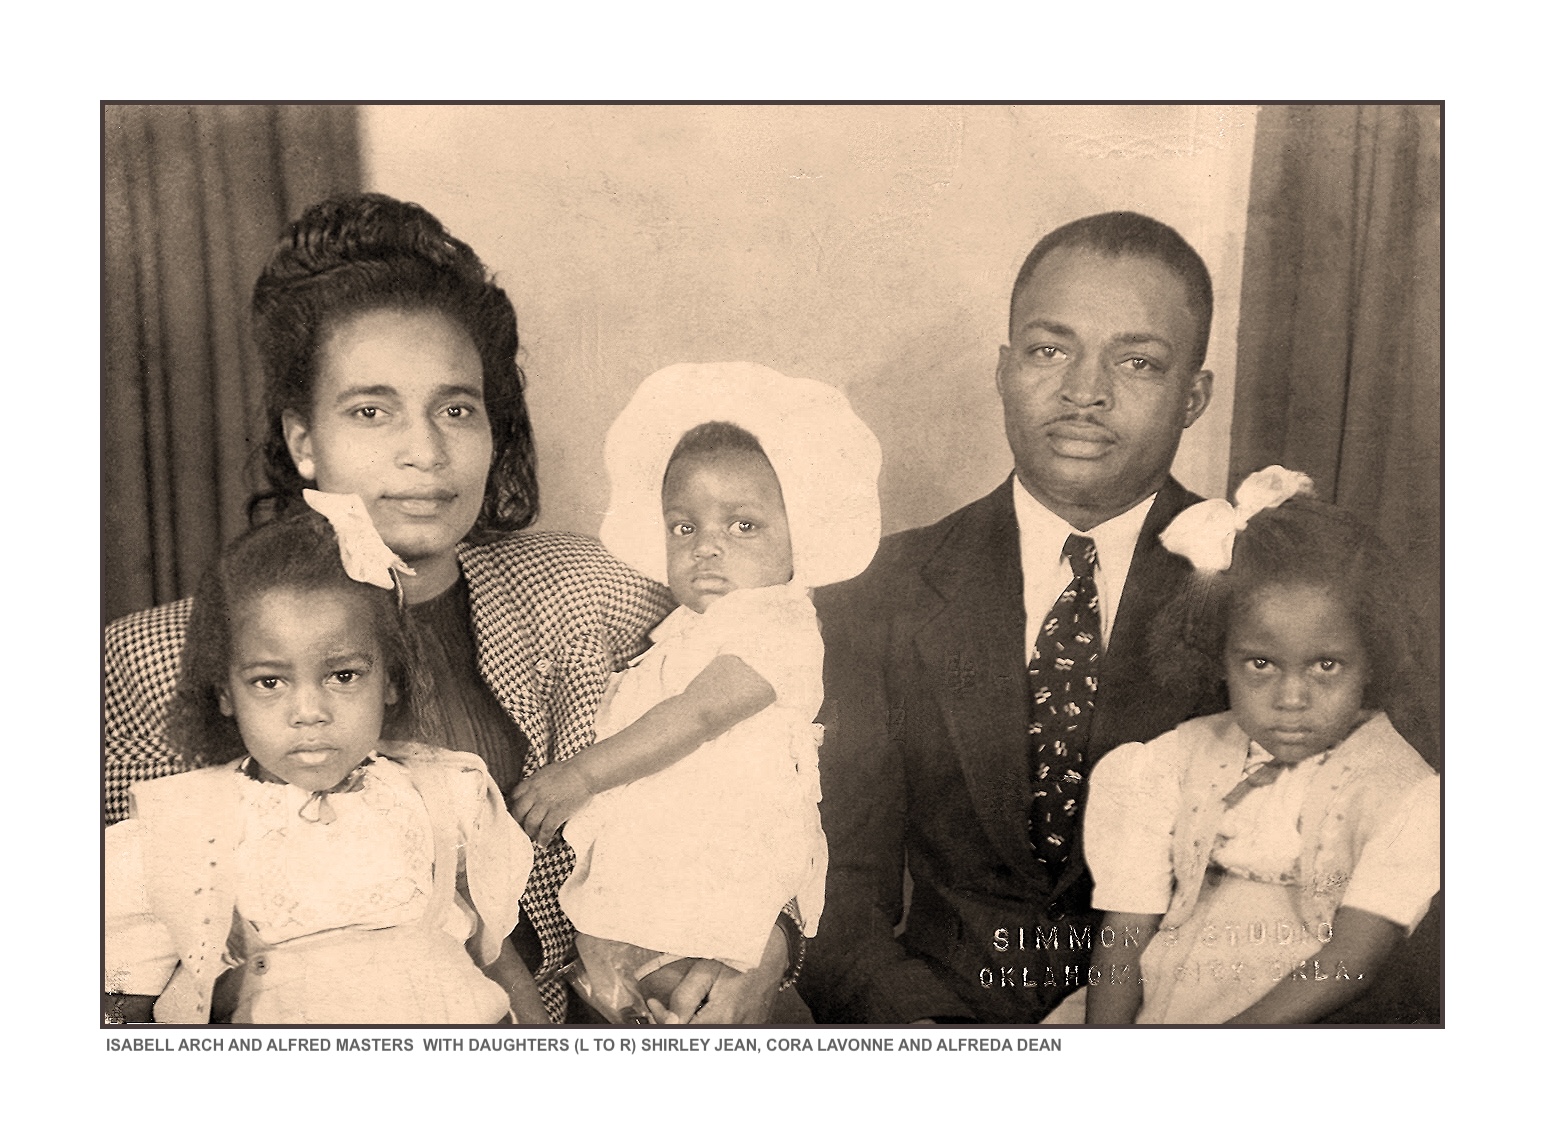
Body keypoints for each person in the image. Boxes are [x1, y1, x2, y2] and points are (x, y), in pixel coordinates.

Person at [103, 193, 795, 1023]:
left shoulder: (592, 591)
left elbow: (773, 753)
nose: (426, 451)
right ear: (303, 440)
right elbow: (123, 977)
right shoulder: (150, 662)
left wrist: (769, 942)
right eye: (371, 409)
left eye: (455, 408)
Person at [804, 211, 1228, 1024]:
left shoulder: (1263, 590)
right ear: (1002, 369)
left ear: (1194, 396)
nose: (1083, 391)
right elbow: (835, 879)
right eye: (1049, 349)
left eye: (1136, 361)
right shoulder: (874, 588)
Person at [510, 363, 882, 1023]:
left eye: (742, 526)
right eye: (684, 527)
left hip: (714, 887)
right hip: (645, 901)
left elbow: (699, 712)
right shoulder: (677, 628)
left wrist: (580, 773)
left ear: (799, 539)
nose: (706, 547)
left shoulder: (779, 622)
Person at [104, 500, 543, 1024]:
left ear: (391, 682)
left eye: (343, 676)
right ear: (225, 692)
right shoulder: (182, 825)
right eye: (270, 682)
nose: (309, 713)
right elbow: (122, 1005)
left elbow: (495, 960)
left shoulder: (445, 792)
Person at [1066, 467, 1439, 1024]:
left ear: (1370, 663)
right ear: (1222, 658)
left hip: (1301, 1014)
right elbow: (1126, 926)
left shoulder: (1405, 792)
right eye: (1260, 664)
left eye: (1326, 665)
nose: (1292, 698)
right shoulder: (1173, 761)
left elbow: (1355, 955)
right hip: (1165, 998)